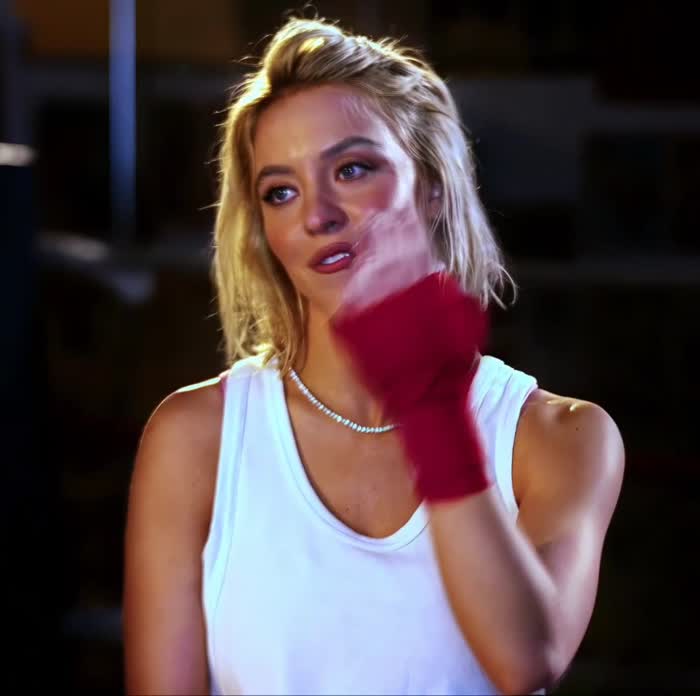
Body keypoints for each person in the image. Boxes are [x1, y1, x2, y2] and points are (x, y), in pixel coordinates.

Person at [123, 16, 625, 696]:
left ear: (432, 185)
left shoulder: (558, 438)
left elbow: (526, 660)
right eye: (281, 191)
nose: (318, 215)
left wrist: (428, 400)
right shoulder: (195, 439)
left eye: (352, 169)